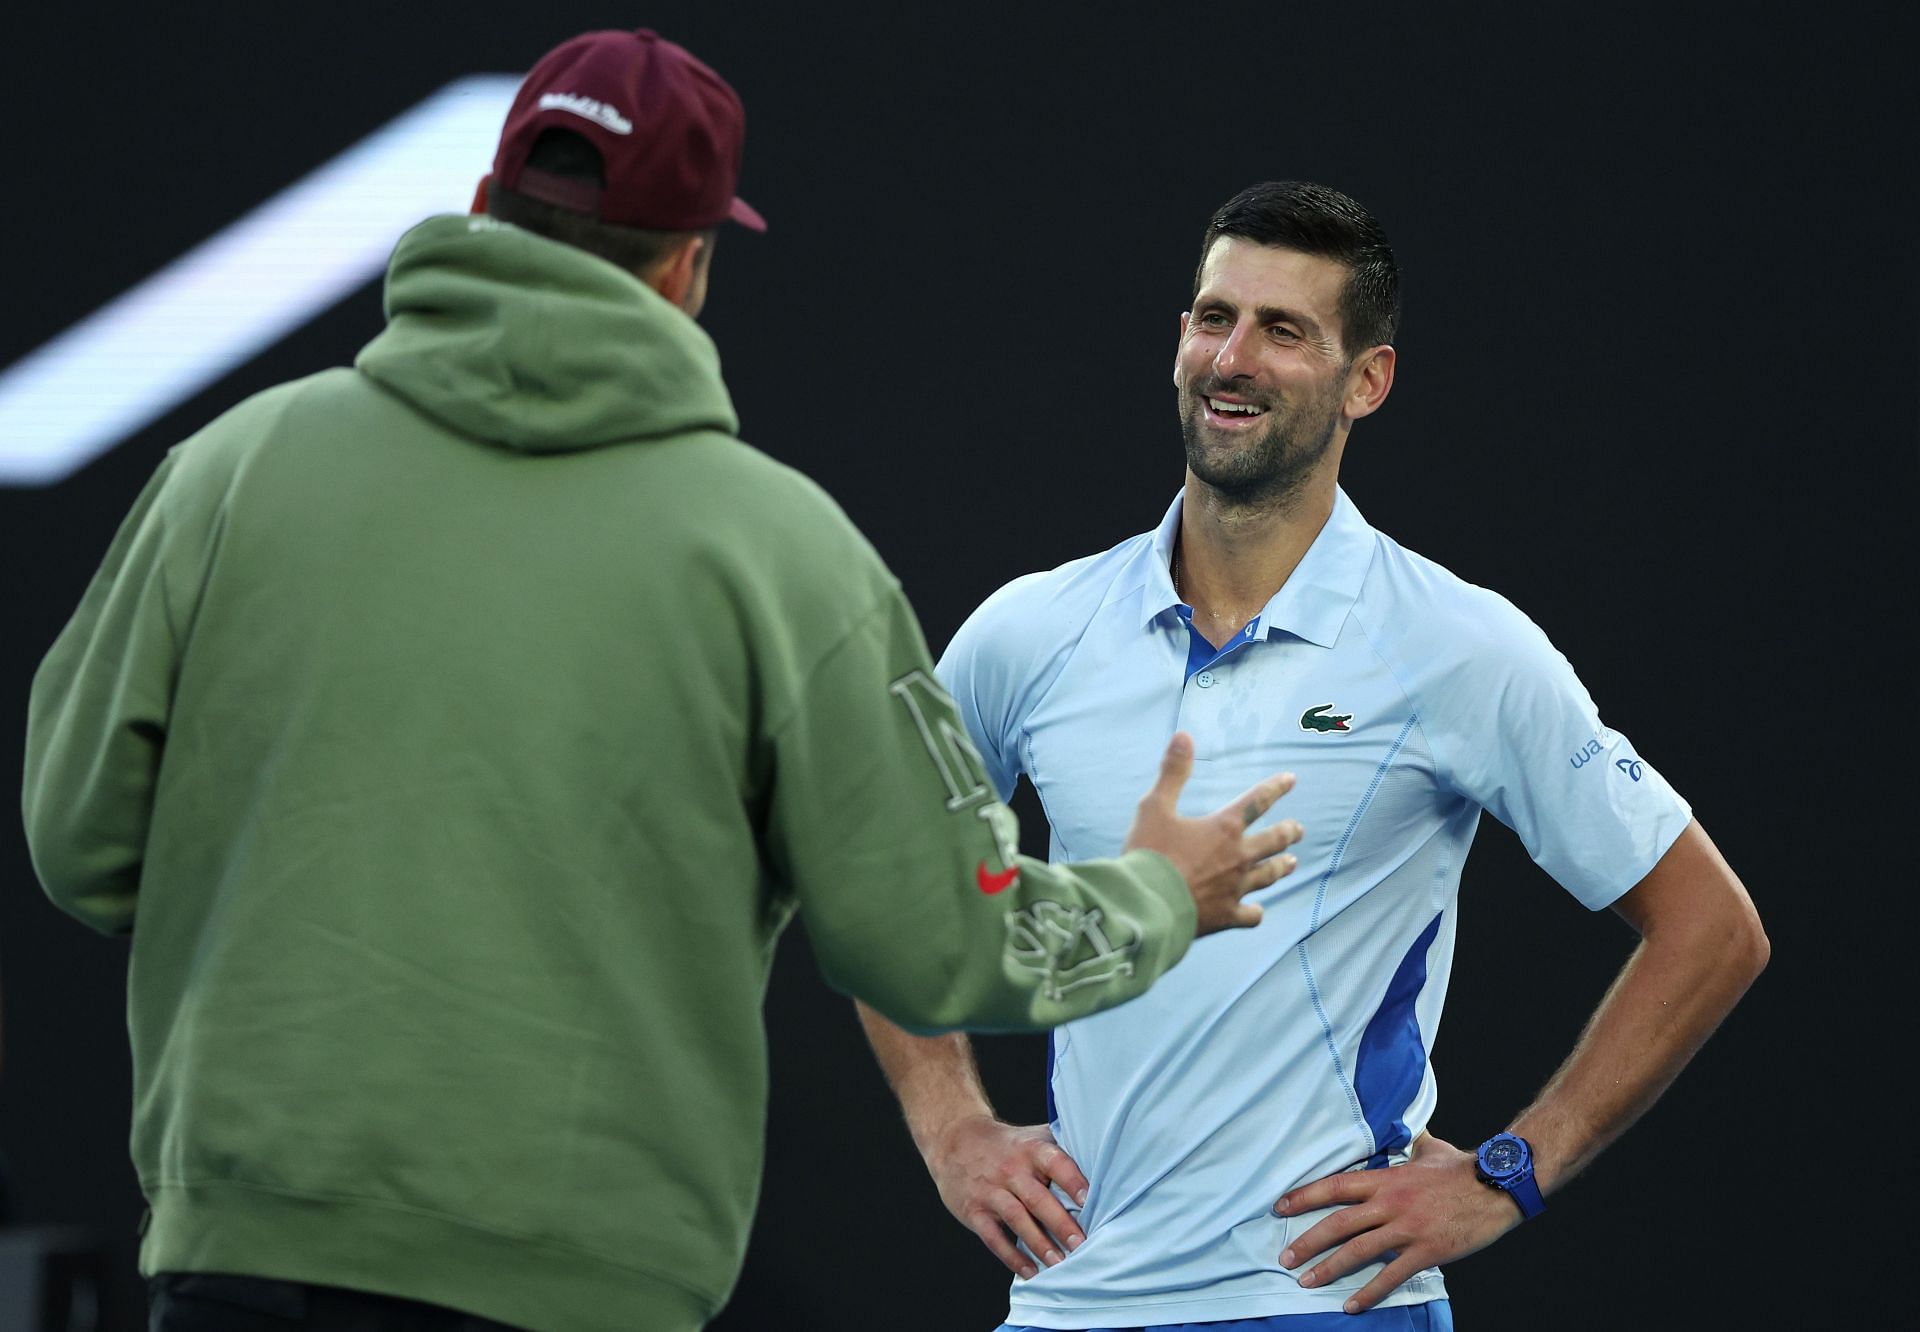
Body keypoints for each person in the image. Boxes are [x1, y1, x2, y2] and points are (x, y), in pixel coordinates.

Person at [19, 32, 1308, 1332]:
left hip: (234, 1272)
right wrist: (1158, 895)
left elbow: (78, 842)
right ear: (689, 268)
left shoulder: (233, 473)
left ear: (479, 212)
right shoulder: (782, 558)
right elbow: (940, 942)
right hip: (570, 1291)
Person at [858, 180, 1770, 1331]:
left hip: (1328, 1308)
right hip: (1069, 1306)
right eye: (1212, 317)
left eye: (1283, 331)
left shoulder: (1454, 644)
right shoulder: (1033, 629)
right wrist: (953, 1130)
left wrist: (1511, 1174)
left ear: (1365, 381)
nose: (1231, 358)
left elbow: (1713, 927)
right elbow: (878, 876)